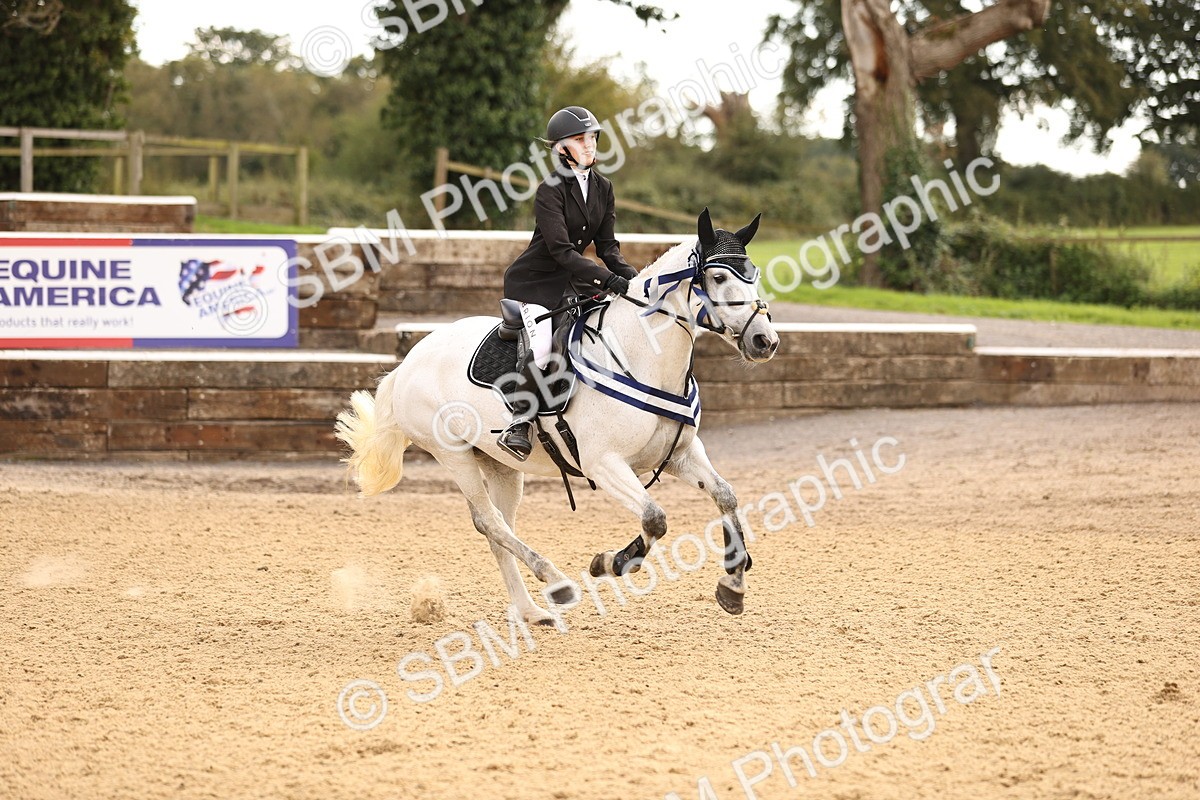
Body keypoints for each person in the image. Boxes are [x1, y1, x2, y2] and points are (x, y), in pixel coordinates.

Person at [496, 105, 639, 461]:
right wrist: (607, 278)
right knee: (543, 344)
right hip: (536, 281)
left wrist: (633, 278)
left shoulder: (604, 188)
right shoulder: (550, 190)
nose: (589, 145)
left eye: (592, 137)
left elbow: (607, 246)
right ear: (561, 148)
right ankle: (520, 421)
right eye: (580, 139)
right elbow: (560, 250)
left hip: (577, 280)